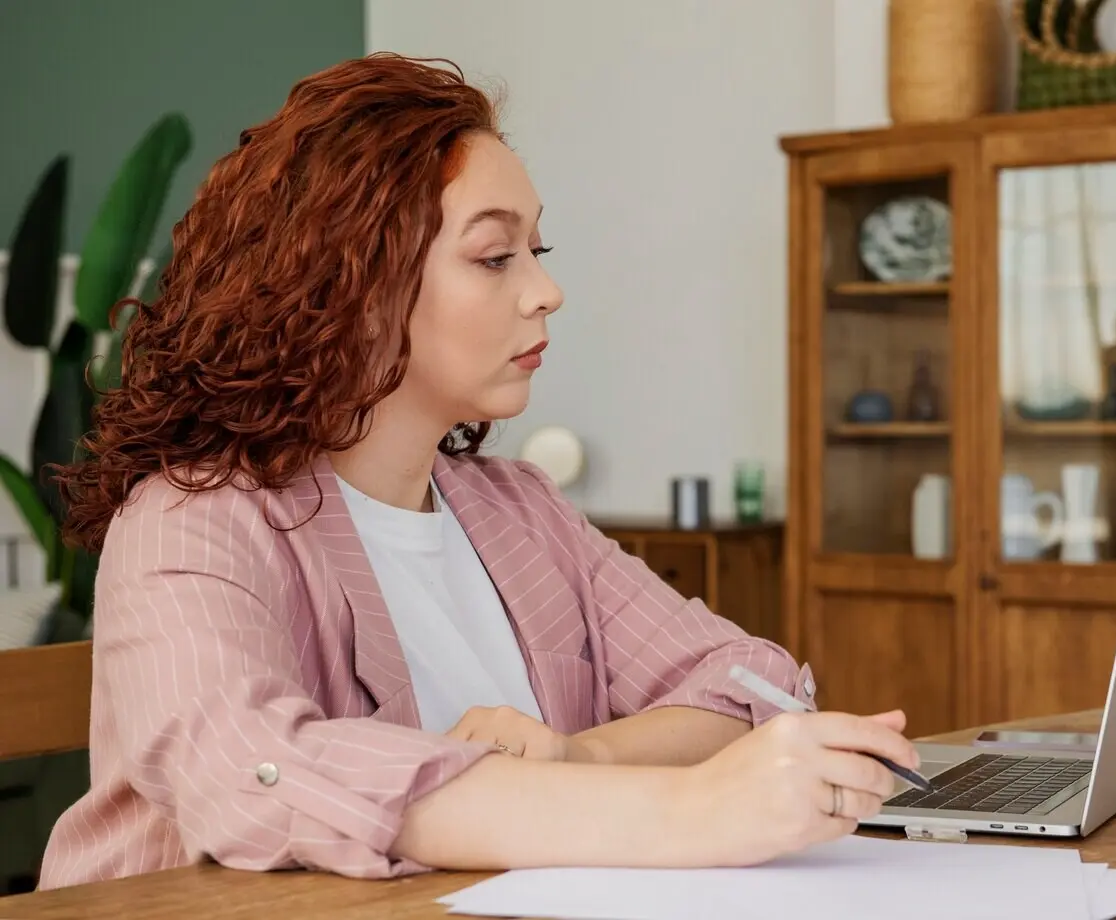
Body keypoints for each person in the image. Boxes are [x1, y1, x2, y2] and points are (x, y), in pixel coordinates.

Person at [38, 53, 917, 889]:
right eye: (496, 257)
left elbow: (742, 679)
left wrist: (582, 757)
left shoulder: (518, 511)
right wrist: (684, 804)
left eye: (539, 252)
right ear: (349, 285)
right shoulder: (190, 520)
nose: (545, 292)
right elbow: (254, 774)